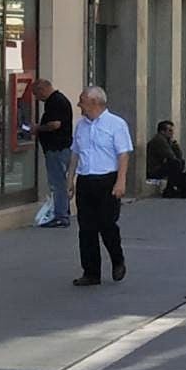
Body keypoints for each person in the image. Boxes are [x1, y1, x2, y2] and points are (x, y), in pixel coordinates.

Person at [68, 86, 134, 287]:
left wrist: (121, 181)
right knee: (86, 228)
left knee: (107, 224)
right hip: (86, 180)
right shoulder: (81, 126)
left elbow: (123, 154)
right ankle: (90, 272)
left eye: (82, 101)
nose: (79, 105)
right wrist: (70, 178)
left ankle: (117, 259)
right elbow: (75, 153)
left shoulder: (116, 124)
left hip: (107, 180)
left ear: (94, 103)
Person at [32, 79, 73, 227]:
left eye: (36, 94)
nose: (37, 98)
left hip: (57, 148)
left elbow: (55, 124)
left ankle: (61, 216)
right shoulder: (58, 100)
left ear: (42, 90)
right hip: (59, 147)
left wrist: (38, 128)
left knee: (58, 183)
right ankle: (63, 212)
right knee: (60, 181)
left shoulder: (55, 101)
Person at [145, 120, 185, 191]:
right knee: (176, 163)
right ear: (162, 131)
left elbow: (178, 156)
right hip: (153, 170)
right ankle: (171, 188)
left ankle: (174, 185)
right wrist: (174, 146)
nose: (172, 133)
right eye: (169, 130)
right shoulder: (159, 140)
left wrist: (174, 145)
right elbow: (171, 156)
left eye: (172, 130)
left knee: (179, 162)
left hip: (157, 167)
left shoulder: (165, 140)